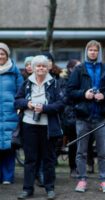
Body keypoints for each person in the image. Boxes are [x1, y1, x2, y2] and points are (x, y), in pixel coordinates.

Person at [67, 40, 105, 193]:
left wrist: (104, 96)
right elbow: (70, 92)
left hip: (101, 118)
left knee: (103, 153)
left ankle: (103, 180)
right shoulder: (79, 69)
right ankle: (82, 179)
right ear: (86, 52)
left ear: (99, 52)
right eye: (90, 50)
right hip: (83, 117)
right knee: (81, 151)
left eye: (96, 50)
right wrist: (84, 94)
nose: (93, 53)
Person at [15, 55, 64, 200]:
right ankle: (27, 189)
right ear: (33, 68)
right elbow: (17, 101)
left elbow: (61, 104)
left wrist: (45, 108)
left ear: (47, 68)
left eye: (43, 66)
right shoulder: (26, 84)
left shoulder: (54, 83)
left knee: (48, 159)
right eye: (38, 66)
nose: (41, 68)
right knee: (30, 159)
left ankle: (50, 189)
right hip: (29, 125)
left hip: (47, 127)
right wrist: (27, 104)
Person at [0, 42, 23, 185]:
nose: (0, 56)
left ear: (7, 55)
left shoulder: (14, 72)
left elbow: (21, 93)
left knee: (9, 146)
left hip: (10, 114)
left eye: (2, 53)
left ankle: (8, 176)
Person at [60, 59, 81, 178]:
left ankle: (82, 166)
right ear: (71, 69)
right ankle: (73, 167)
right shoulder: (63, 81)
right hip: (70, 116)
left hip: (82, 114)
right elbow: (65, 98)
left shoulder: (82, 79)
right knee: (73, 143)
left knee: (83, 143)